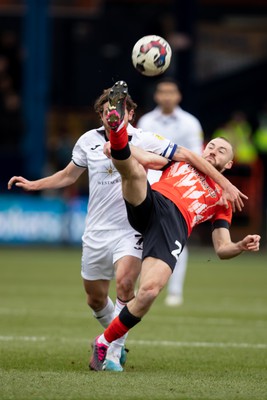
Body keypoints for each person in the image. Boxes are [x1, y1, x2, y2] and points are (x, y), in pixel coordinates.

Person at [7, 84, 195, 372]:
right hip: (96, 230)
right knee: (95, 298)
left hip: (131, 226)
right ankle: (117, 339)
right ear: (100, 115)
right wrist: (34, 184)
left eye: (118, 110)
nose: (112, 115)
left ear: (130, 114)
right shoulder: (87, 141)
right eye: (107, 111)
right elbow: (69, 175)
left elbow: (173, 158)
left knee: (124, 284)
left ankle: (109, 349)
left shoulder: (143, 138)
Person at [89, 80, 260, 371]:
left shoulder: (222, 200)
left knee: (150, 292)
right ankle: (118, 133)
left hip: (174, 228)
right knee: (136, 174)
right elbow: (144, 158)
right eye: (212, 146)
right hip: (153, 203)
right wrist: (122, 150)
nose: (212, 151)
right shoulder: (179, 163)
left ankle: (104, 342)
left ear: (229, 165)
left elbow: (221, 249)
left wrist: (240, 246)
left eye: (221, 151)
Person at [137, 77, 204, 306]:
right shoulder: (146, 120)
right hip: (149, 184)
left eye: (171, 92)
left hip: (178, 188)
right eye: (162, 92)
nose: (166, 96)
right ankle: (143, 286)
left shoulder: (190, 123)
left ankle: (175, 291)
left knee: (176, 238)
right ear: (156, 96)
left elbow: (196, 157)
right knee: (141, 237)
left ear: (178, 96)